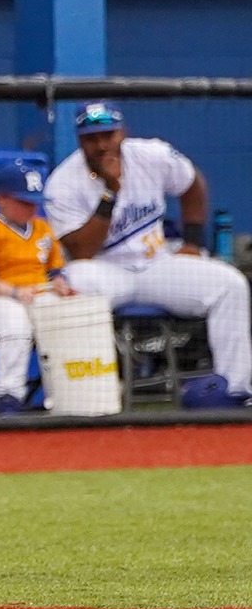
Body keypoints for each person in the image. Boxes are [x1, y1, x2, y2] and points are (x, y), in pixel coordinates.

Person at [43, 102, 251, 407]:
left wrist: (192, 242)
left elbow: (193, 184)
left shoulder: (151, 155)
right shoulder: (63, 183)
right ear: (79, 140)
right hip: (103, 271)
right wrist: (109, 193)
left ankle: (236, 390)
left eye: (108, 135)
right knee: (71, 284)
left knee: (230, 284)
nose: (101, 144)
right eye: (91, 138)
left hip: (157, 266)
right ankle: (87, 396)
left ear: (122, 132)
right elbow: (82, 250)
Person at [0, 164, 71, 413]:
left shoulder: (42, 227)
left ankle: (66, 394)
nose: (32, 208)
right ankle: (8, 395)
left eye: (35, 202)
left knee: (69, 318)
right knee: (15, 321)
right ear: (1, 199)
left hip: (34, 295)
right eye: (24, 202)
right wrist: (14, 292)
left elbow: (55, 269)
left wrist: (60, 284)